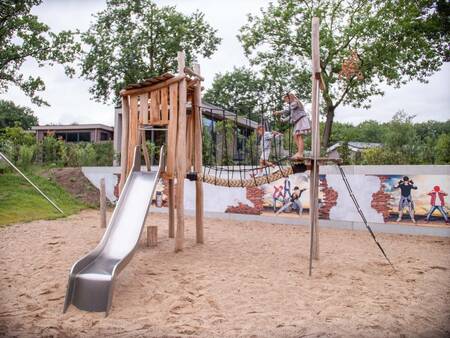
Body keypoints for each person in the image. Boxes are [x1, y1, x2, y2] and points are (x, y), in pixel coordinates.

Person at [274, 92, 311, 160]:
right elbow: (291, 116)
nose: (286, 102)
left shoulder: (295, 102)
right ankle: (299, 151)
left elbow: (288, 110)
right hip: (298, 121)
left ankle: (300, 153)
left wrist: (278, 112)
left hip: (301, 120)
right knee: (295, 136)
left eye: (286, 100)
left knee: (299, 136)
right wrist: (283, 120)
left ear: (290, 98)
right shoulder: (292, 105)